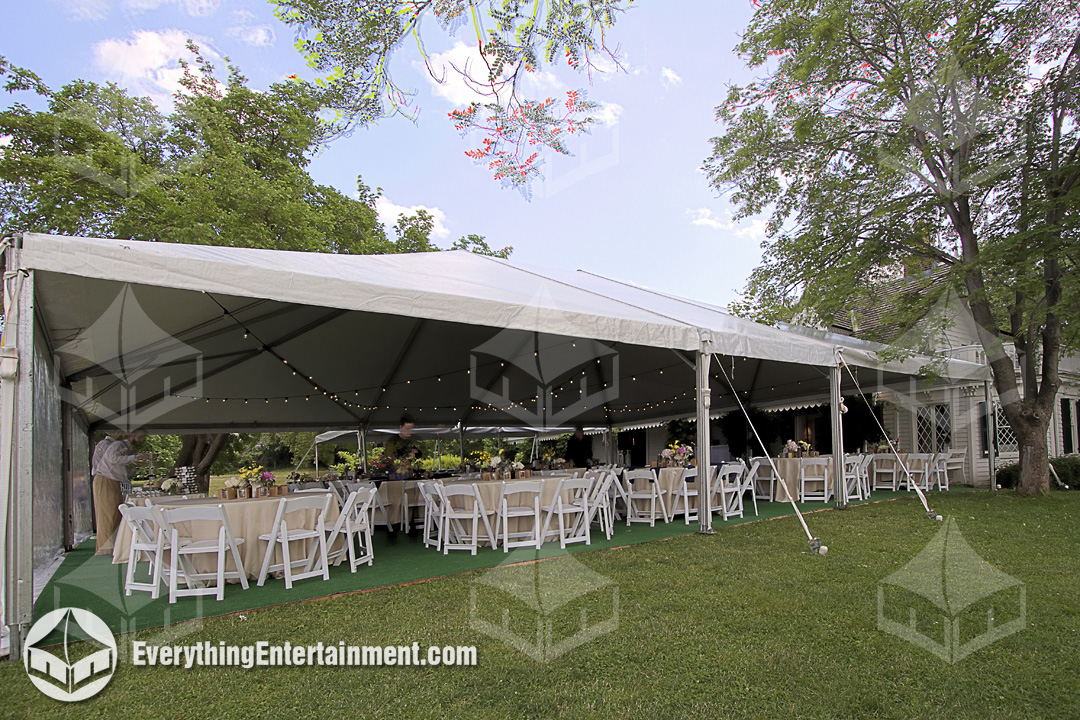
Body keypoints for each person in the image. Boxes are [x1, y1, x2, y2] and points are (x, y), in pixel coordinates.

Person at [93, 430, 148, 555]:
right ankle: (105, 548)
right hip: (105, 480)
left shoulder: (126, 448)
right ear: (132, 436)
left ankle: (115, 546)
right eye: (140, 437)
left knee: (115, 513)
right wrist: (134, 457)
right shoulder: (117, 445)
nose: (142, 440)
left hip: (113, 480)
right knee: (108, 514)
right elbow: (113, 459)